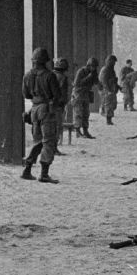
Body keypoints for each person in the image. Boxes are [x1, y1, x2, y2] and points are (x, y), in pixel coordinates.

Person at [20, 47, 63, 183]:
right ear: (45, 61)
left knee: (38, 141)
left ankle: (27, 169)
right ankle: (44, 174)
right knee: (49, 141)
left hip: (34, 110)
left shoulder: (27, 75)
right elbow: (57, 95)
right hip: (46, 109)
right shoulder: (50, 75)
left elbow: (26, 94)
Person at [70, 57, 100, 139]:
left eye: (95, 67)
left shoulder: (93, 73)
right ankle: (78, 131)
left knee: (86, 113)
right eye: (93, 66)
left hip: (86, 94)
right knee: (78, 113)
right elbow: (77, 84)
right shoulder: (81, 71)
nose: (94, 68)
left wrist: (100, 84)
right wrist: (89, 77)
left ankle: (85, 131)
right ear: (89, 65)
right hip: (78, 94)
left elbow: (97, 82)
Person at [98, 55, 120, 126]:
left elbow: (114, 80)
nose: (114, 63)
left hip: (111, 89)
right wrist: (108, 90)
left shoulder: (111, 70)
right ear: (109, 61)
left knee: (113, 105)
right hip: (106, 90)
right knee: (109, 105)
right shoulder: (105, 70)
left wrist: (118, 87)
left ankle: (105, 112)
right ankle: (108, 120)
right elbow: (104, 81)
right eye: (113, 62)